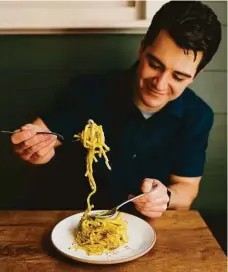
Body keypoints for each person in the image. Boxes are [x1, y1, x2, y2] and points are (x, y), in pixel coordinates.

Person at [11, 1, 221, 218]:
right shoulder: (90, 90)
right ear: (142, 49)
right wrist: (34, 146)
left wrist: (165, 196)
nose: (159, 84)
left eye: (178, 76)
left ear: (197, 73)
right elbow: (43, 134)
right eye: (155, 65)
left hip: (142, 230)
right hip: (73, 218)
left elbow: (186, 189)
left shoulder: (197, 115)